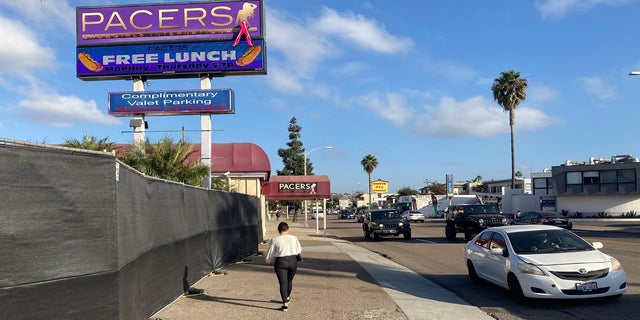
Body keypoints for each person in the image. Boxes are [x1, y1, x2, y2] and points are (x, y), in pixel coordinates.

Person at [265, 222, 302, 312]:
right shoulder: (294, 238)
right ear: (287, 229)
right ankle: (288, 297)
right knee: (289, 281)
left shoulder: (275, 240)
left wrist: (269, 261)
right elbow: (299, 250)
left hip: (280, 262)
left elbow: (271, 252)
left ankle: (285, 304)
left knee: (283, 283)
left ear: (279, 230)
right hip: (293, 261)